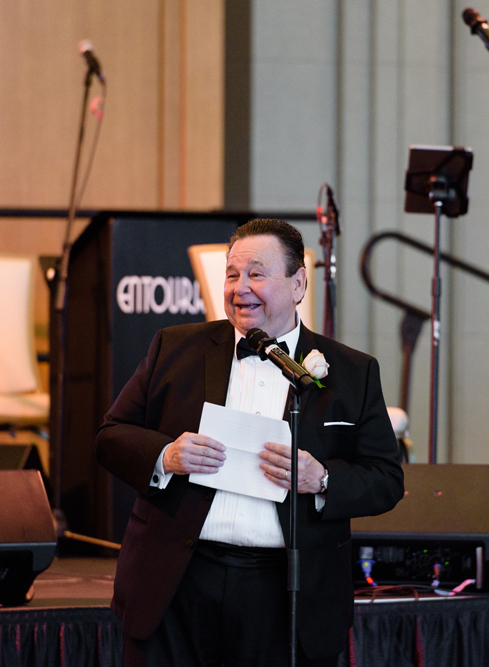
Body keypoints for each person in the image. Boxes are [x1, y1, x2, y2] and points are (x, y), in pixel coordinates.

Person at [94, 218, 406, 667]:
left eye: (257, 274)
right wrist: (166, 456)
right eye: (232, 274)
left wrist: (322, 480)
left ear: (298, 283)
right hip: (177, 581)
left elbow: (386, 479)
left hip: (284, 590)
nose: (240, 288)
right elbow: (110, 437)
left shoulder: (351, 373)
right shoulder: (174, 347)